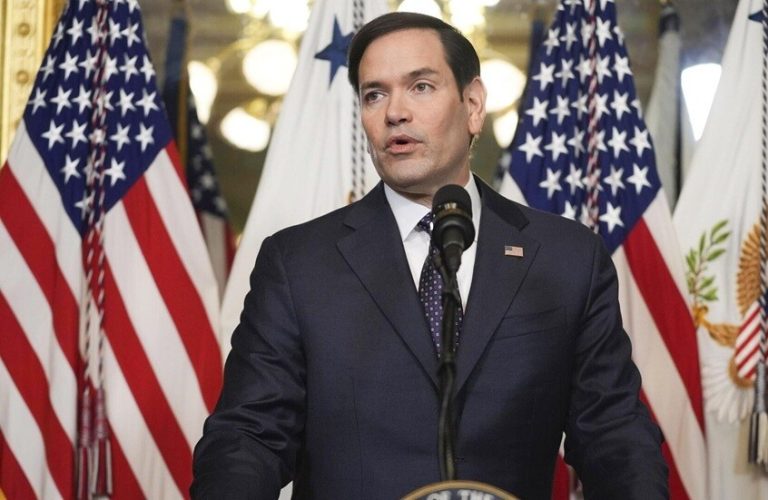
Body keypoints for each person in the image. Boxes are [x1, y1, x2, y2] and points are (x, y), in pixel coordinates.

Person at [191, 11, 668, 499]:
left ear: (473, 105)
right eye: (374, 94)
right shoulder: (298, 263)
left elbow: (613, 433)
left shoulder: (566, 258)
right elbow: (248, 438)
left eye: (420, 87)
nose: (394, 112)